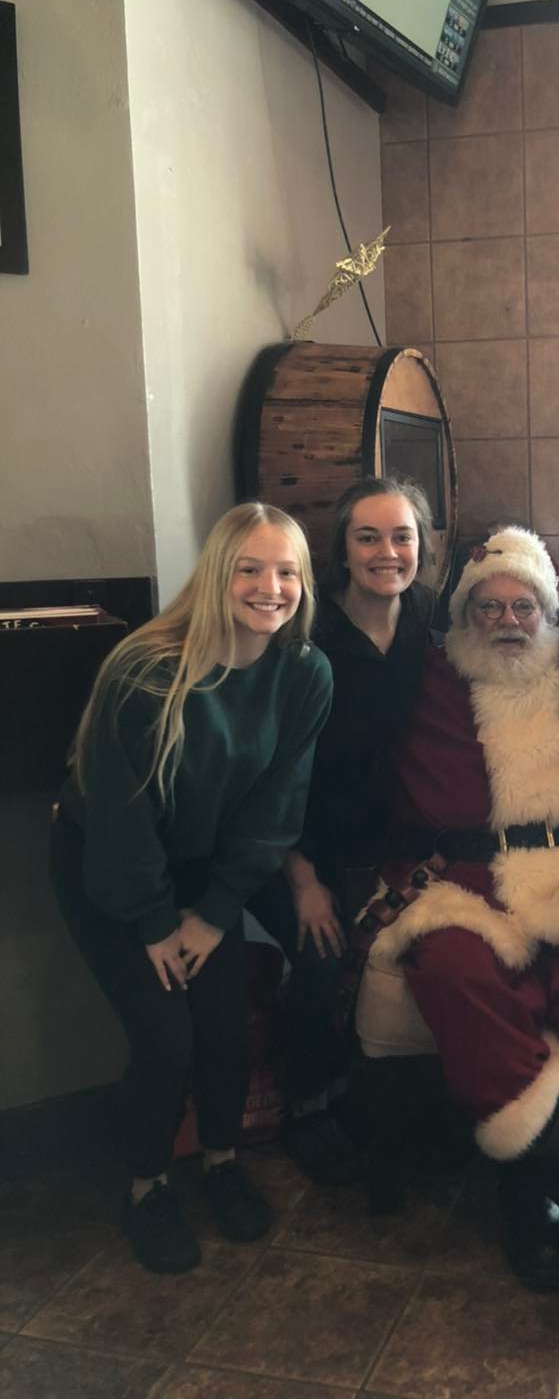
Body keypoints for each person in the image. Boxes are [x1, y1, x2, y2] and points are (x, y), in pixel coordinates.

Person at [369, 528, 559, 1328]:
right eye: (490, 607)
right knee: (453, 969)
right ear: (465, 612)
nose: (507, 621)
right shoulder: (426, 679)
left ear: (548, 610)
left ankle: (531, 1172)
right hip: (462, 879)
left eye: (523, 606)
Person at [50, 502, 333, 1272]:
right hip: (111, 862)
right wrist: (152, 923)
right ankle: (146, 1188)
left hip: (206, 869)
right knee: (165, 1037)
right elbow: (121, 816)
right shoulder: (146, 669)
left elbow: (277, 806)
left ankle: (221, 1162)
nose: (270, 587)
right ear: (216, 575)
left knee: (227, 1032)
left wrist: (213, 914)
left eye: (287, 572)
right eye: (250, 569)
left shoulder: (304, 672)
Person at [246, 476, 436, 1184]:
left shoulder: (431, 625)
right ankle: (308, 1105)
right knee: (321, 956)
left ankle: (385, 1091)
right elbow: (271, 775)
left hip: (399, 844)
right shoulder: (306, 638)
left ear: (421, 546)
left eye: (401, 536)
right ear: (342, 550)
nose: (387, 552)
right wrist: (303, 880)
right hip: (301, 847)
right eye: (368, 537)